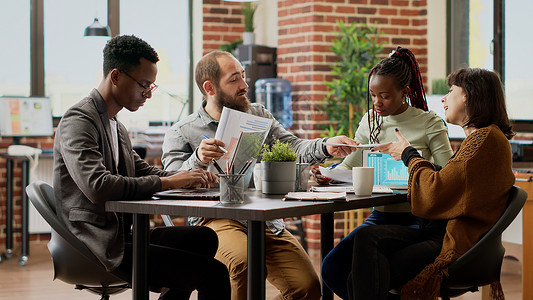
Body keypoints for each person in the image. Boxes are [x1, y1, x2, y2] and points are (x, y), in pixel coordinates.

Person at [161, 50, 358, 300]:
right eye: (234, 79)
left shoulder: (258, 114)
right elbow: (169, 184)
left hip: (263, 218)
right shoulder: (182, 131)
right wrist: (198, 159)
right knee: (243, 263)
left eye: (243, 76)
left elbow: (292, 148)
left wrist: (326, 146)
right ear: (210, 87)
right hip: (215, 219)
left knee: (306, 288)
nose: (245, 85)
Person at [53, 35, 230, 300]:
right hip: (95, 242)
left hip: (119, 234)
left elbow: (145, 172)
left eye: (151, 86)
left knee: (203, 238)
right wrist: (170, 183)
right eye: (143, 85)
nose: (148, 93)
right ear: (115, 76)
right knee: (214, 273)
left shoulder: (116, 125)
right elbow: (98, 186)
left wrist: (185, 177)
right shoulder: (79, 120)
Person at [348, 68, 516, 300]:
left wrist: (409, 154)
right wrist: (413, 157)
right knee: (365, 243)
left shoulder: (483, 140)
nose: (444, 99)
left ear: (468, 95)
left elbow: (437, 191)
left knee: (369, 267)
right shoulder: (485, 138)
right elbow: (452, 179)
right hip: (451, 235)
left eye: (450, 91)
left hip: (454, 243)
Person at [320, 46, 453, 299]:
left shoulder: (429, 122)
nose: (377, 103)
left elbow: (448, 174)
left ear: (404, 92)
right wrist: (329, 173)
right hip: (380, 216)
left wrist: (409, 154)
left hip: (418, 220)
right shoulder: (370, 120)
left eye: (384, 96)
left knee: (369, 275)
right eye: (373, 95)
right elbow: (351, 164)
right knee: (332, 269)